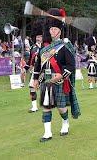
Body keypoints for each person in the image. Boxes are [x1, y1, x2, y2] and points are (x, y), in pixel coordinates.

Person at [33, 8, 81, 142]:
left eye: (55, 29)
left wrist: (61, 76)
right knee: (46, 107)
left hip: (59, 80)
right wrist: (35, 79)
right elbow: (38, 65)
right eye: (51, 29)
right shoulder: (43, 49)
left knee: (61, 107)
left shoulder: (64, 45)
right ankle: (47, 133)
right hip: (46, 80)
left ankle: (65, 122)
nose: (52, 31)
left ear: (60, 31)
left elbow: (71, 65)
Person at [26, 20, 44, 113]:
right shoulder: (33, 47)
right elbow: (30, 61)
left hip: (44, 71)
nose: (38, 38)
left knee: (45, 88)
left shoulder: (46, 47)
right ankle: (34, 107)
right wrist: (25, 69)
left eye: (40, 36)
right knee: (32, 88)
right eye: (37, 36)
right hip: (34, 70)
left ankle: (47, 104)